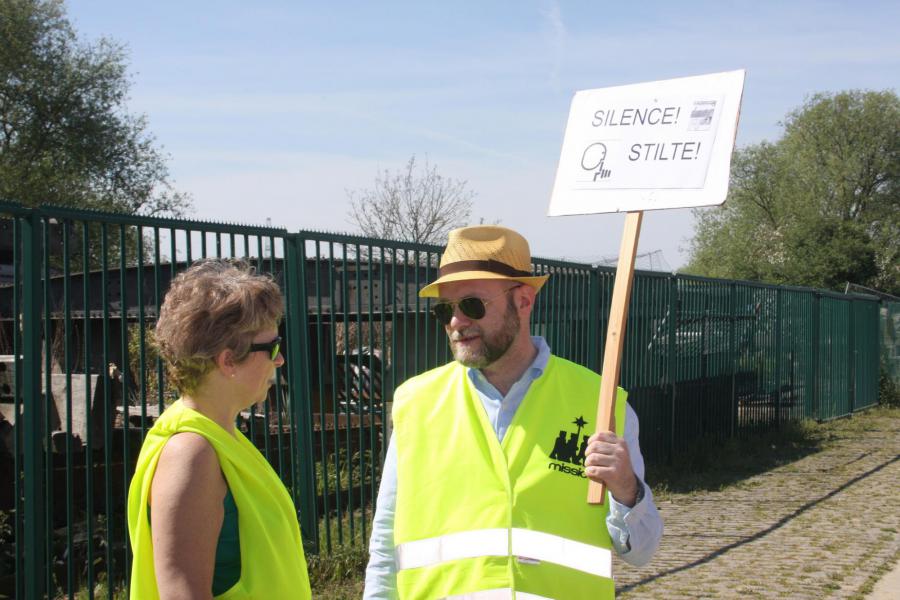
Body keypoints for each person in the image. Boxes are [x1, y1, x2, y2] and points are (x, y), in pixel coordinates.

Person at [364, 225, 663, 599]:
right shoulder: (415, 402)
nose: (456, 322)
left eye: (472, 305)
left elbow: (642, 551)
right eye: (445, 309)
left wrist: (626, 490)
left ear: (523, 301)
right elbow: (385, 540)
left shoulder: (602, 404)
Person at [127, 259, 311, 599]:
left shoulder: (219, 436)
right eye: (271, 347)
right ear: (228, 361)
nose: (280, 359)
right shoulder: (190, 452)